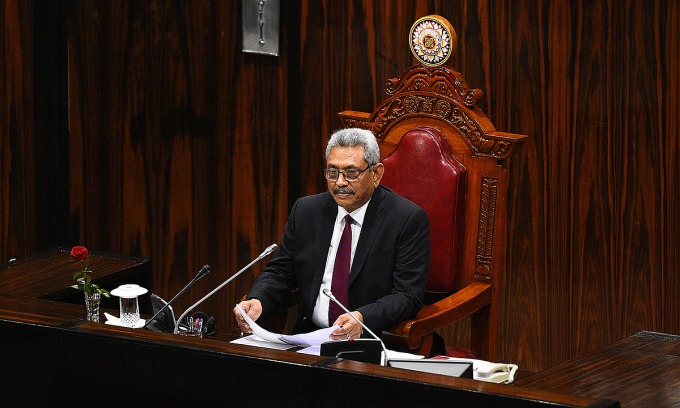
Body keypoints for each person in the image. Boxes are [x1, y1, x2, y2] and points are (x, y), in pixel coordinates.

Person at [234, 128, 430, 341]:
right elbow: (281, 272)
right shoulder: (307, 211)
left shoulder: (405, 219)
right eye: (332, 172)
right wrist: (258, 300)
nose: (340, 182)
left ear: (376, 174)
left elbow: (407, 295)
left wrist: (363, 318)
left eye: (351, 173)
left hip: (371, 340)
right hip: (309, 337)